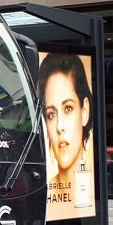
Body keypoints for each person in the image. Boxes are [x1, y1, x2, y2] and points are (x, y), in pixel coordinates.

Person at [38, 54, 93, 202]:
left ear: (84, 111)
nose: (59, 127)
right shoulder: (41, 201)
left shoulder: (94, 192)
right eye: (51, 115)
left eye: (68, 108)